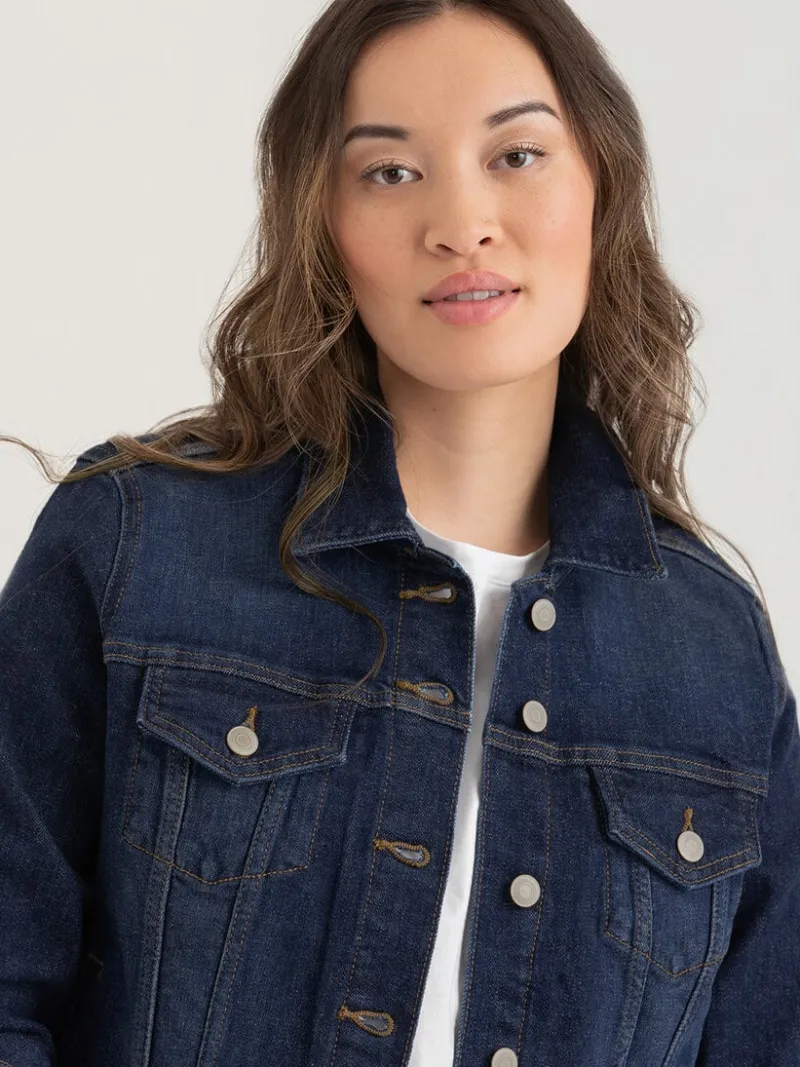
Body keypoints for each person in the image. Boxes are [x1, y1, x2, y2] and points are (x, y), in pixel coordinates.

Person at [1, 1, 797, 1065]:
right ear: (320, 222)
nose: (461, 223)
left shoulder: (713, 650)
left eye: (515, 155)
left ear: (599, 184)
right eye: (389, 171)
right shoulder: (135, 541)